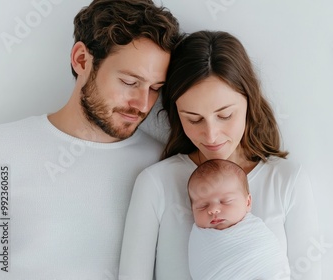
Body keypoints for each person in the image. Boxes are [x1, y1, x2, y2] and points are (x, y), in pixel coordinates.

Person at [0, 0, 179, 279]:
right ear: (81, 60)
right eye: (129, 82)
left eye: (155, 89)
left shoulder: (162, 165)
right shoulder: (2, 148)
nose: (142, 104)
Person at [119, 30, 321, 280]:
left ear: (249, 101)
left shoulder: (287, 180)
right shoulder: (156, 183)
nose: (211, 136)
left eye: (225, 115)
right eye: (193, 119)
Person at [187, 159, 290, 279]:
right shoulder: (200, 240)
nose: (213, 209)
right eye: (202, 206)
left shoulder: (256, 232)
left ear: (248, 202)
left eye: (226, 201)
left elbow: (271, 263)